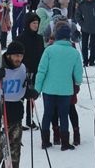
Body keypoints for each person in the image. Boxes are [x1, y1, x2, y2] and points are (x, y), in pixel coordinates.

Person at [34, 22, 82, 150]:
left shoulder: (49, 50)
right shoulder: (74, 53)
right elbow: (78, 72)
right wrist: (77, 83)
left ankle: (45, 141)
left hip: (48, 89)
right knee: (64, 115)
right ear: (69, 37)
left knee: (47, 114)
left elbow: (42, 70)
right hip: (66, 90)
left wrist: (37, 89)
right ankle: (65, 143)